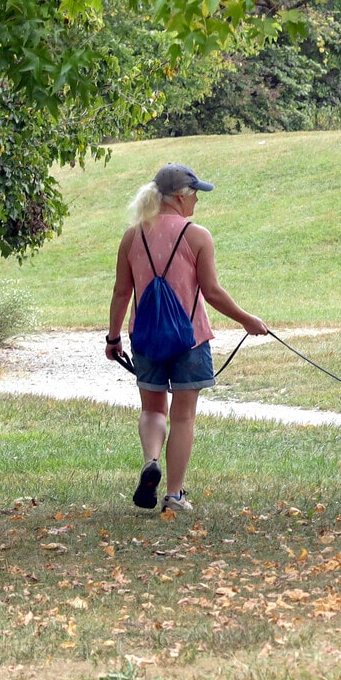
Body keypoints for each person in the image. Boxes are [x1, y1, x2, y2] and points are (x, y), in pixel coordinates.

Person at [106, 163, 269, 513]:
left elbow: (122, 292)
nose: (197, 200)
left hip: (146, 338)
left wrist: (113, 337)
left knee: (152, 410)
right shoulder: (196, 236)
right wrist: (247, 320)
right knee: (183, 416)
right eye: (195, 194)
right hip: (190, 339)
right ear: (181, 196)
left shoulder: (133, 236)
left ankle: (152, 461)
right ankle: (175, 495)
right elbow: (211, 291)